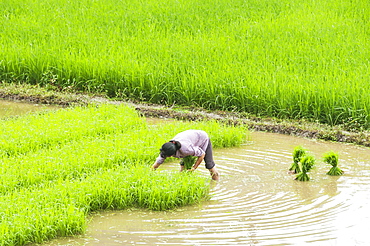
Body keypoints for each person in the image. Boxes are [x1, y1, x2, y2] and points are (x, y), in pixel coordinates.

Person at [152, 130, 220, 181]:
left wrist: (194, 168)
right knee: (184, 163)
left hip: (202, 138)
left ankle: (216, 182)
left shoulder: (186, 149)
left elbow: (202, 154)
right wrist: (151, 171)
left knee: (209, 164)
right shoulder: (168, 148)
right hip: (189, 139)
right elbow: (159, 161)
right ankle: (182, 181)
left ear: (173, 153)